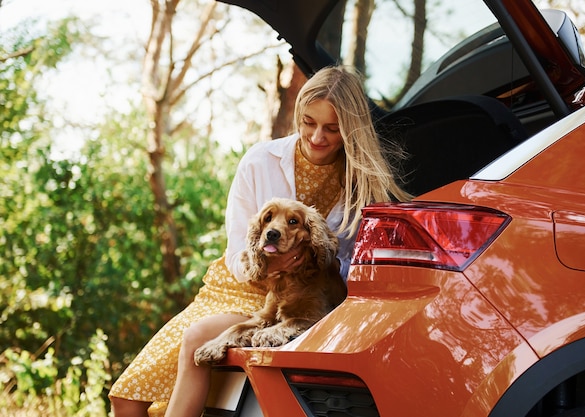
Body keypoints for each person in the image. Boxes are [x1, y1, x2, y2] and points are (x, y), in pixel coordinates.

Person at [108, 65, 413, 417]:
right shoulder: (259, 161)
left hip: (301, 298)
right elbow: (238, 251)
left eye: (332, 128)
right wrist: (271, 265)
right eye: (308, 122)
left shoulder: (365, 185)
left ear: (351, 129)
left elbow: (353, 267)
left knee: (195, 341)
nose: (316, 137)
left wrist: (309, 265)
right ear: (298, 114)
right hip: (236, 290)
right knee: (126, 398)